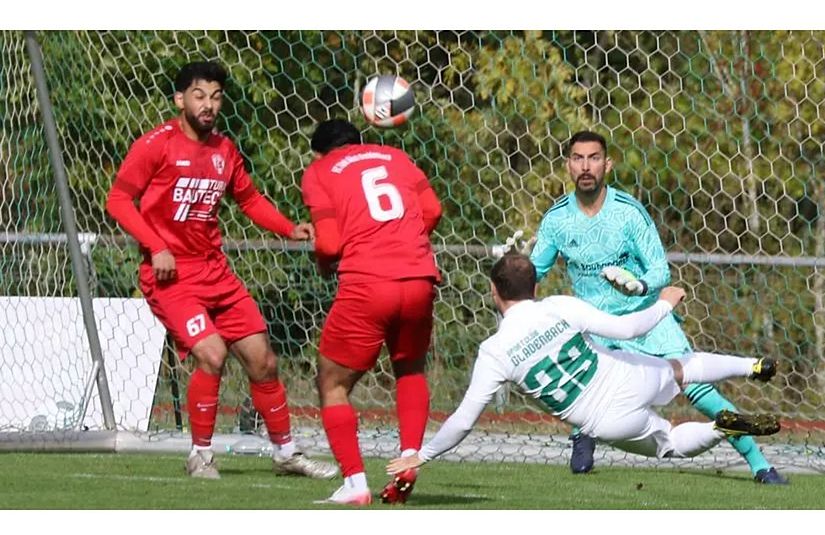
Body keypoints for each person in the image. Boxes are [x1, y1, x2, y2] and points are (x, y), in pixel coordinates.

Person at [105, 60, 336, 481]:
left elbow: (248, 200)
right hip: (172, 278)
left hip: (216, 274)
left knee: (263, 360)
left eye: (215, 96)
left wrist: (288, 228)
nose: (208, 105)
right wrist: (156, 245)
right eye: (198, 96)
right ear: (180, 99)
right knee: (211, 354)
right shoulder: (156, 145)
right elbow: (118, 201)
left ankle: (286, 453)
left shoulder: (224, 150)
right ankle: (201, 455)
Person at [523, 130, 788, 484]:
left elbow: (660, 269)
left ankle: (760, 466)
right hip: (599, 329)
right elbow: (532, 273)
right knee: (584, 384)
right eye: (578, 158)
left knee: (697, 387)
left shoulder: (629, 213)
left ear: (608, 163)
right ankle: (582, 433)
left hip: (647, 319)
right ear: (568, 165)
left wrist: (640, 286)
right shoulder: (556, 220)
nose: (586, 166)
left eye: (594, 157)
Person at [385, 254, 780, 482]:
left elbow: (463, 420)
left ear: (494, 291)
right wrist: (664, 303)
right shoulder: (558, 305)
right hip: (626, 375)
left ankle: (720, 427)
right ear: (535, 287)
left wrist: (424, 454)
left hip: (603, 420)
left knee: (672, 444)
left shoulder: (494, 351)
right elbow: (628, 328)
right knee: (683, 368)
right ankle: (750, 365)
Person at [300, 119, 443, 506]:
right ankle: (408, 460)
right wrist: (404, 240)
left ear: (319, 152)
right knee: (410, 370)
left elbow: (329, 245)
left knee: (333, 385)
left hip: (367, 283)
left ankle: (355, 484)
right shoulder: (395, 156)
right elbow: (432, 209)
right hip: (418, 278)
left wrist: (324, 259)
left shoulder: (319, 171)